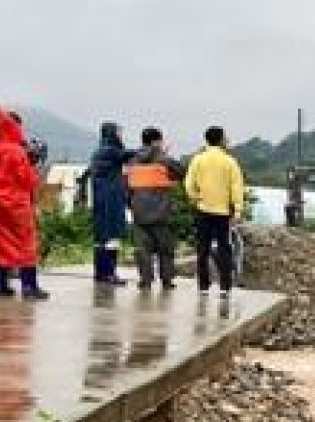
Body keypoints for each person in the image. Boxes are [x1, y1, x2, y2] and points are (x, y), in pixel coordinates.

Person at [0, 105, 48, 300]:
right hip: (16, 205)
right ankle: (29, 287)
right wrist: (34, 166)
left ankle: (0, 286)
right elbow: (28, 181)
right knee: (26, 244)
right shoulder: (16, 152)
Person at [185, 125, 245, 298]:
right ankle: (225, 287)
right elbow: (236, 186)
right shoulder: (229, 161)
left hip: (203, 209)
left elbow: (189, 183)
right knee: (224, 248)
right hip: (222, 212)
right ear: (220, 140)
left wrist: (196, 198)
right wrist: (238, 210)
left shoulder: (198, 160)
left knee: (202, 248)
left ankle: (203, 285)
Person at [127, 127, 184, 291]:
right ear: (156, 141)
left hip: (138, 211)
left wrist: (131, 203)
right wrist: (164, 154)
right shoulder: (163, 160)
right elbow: (181, 172)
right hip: (160, 212)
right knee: (165, 249)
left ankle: (145, 280)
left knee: (142, 249)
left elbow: (126, 185)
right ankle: (166, 280)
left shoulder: (133, 160)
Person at [86, 121, 135, 285]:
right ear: (112, 133)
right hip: (111, 200)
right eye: (118, 132)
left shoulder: (98, 151)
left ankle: (100, 273)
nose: (121, 135)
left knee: (101, 238)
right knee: (111, 238)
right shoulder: (110, 151)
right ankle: (109, 274)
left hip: (101, 200)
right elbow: (131, 155)